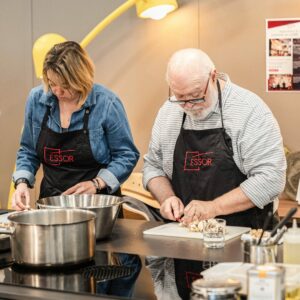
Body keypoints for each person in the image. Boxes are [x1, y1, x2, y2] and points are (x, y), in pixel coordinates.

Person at [143, 48, 286, 229]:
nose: (188, 105)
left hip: (247, 236)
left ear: (213, 76)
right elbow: (153, 166)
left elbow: (271, 178)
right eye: (180, 97)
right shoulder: (168, 112)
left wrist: (213, 207)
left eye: (196, 96)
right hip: (187, 235)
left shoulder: (249, 110)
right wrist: (167, 198)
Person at [12, 41, 139, 210]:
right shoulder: (37, 100)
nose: (57, 91)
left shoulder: (107, 103)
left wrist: (97, 183)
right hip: (52, 203)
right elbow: (28, 151)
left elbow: (126, 155)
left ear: (81, 79)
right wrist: (22, 183)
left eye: (64, 86)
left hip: (97, 205)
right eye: (51, 83)